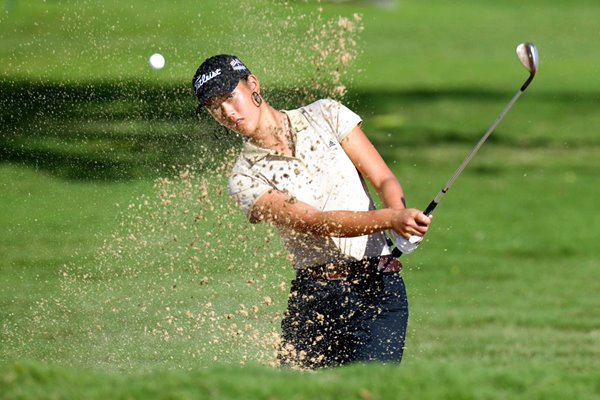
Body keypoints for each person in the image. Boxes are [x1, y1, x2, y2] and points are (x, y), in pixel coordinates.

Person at [192, 54, 431, 369]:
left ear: (253, 85)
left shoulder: (325, 114)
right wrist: (391, 220)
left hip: (378, 291)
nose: (226, 112)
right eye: (214, 107)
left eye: (229, 98)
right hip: (315, 299)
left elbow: (383, 178)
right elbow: (317, 223)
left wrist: (400, 220)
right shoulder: (244, 178)